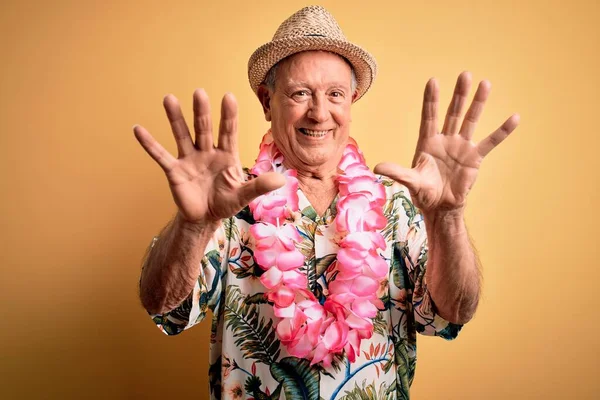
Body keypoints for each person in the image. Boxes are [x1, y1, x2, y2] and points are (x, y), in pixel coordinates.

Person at [134, 5, 519, 400]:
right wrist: (194, 225)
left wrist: (448, 218)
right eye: (300, 93)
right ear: (267, 102)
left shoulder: (399, 203)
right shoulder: (230, 202)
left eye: (335, 94)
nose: (319, 114)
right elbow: (164, 306)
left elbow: (452, 313)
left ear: (351, 100)